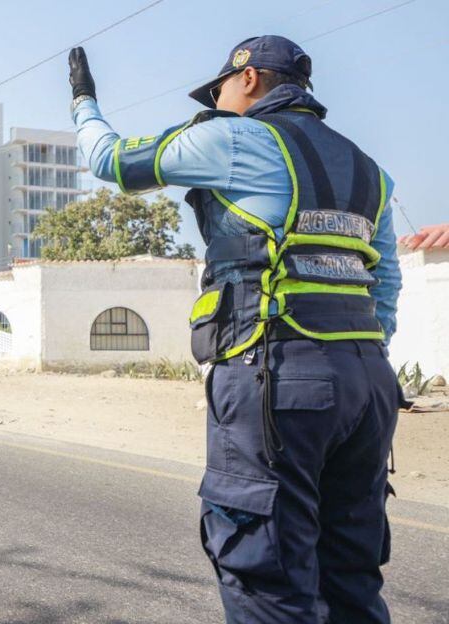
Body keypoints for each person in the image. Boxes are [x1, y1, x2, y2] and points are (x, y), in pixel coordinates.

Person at [68, 36, 402, 622]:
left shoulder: (235, 138)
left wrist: (83, 102)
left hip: (277, 377)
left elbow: (111, 161)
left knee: (267, 579)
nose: (216, 103)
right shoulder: (370, 171)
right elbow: (387, 286)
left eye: (218, 91)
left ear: (248, 79)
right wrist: (353, 358)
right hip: (369, 384)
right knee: (351, 577)